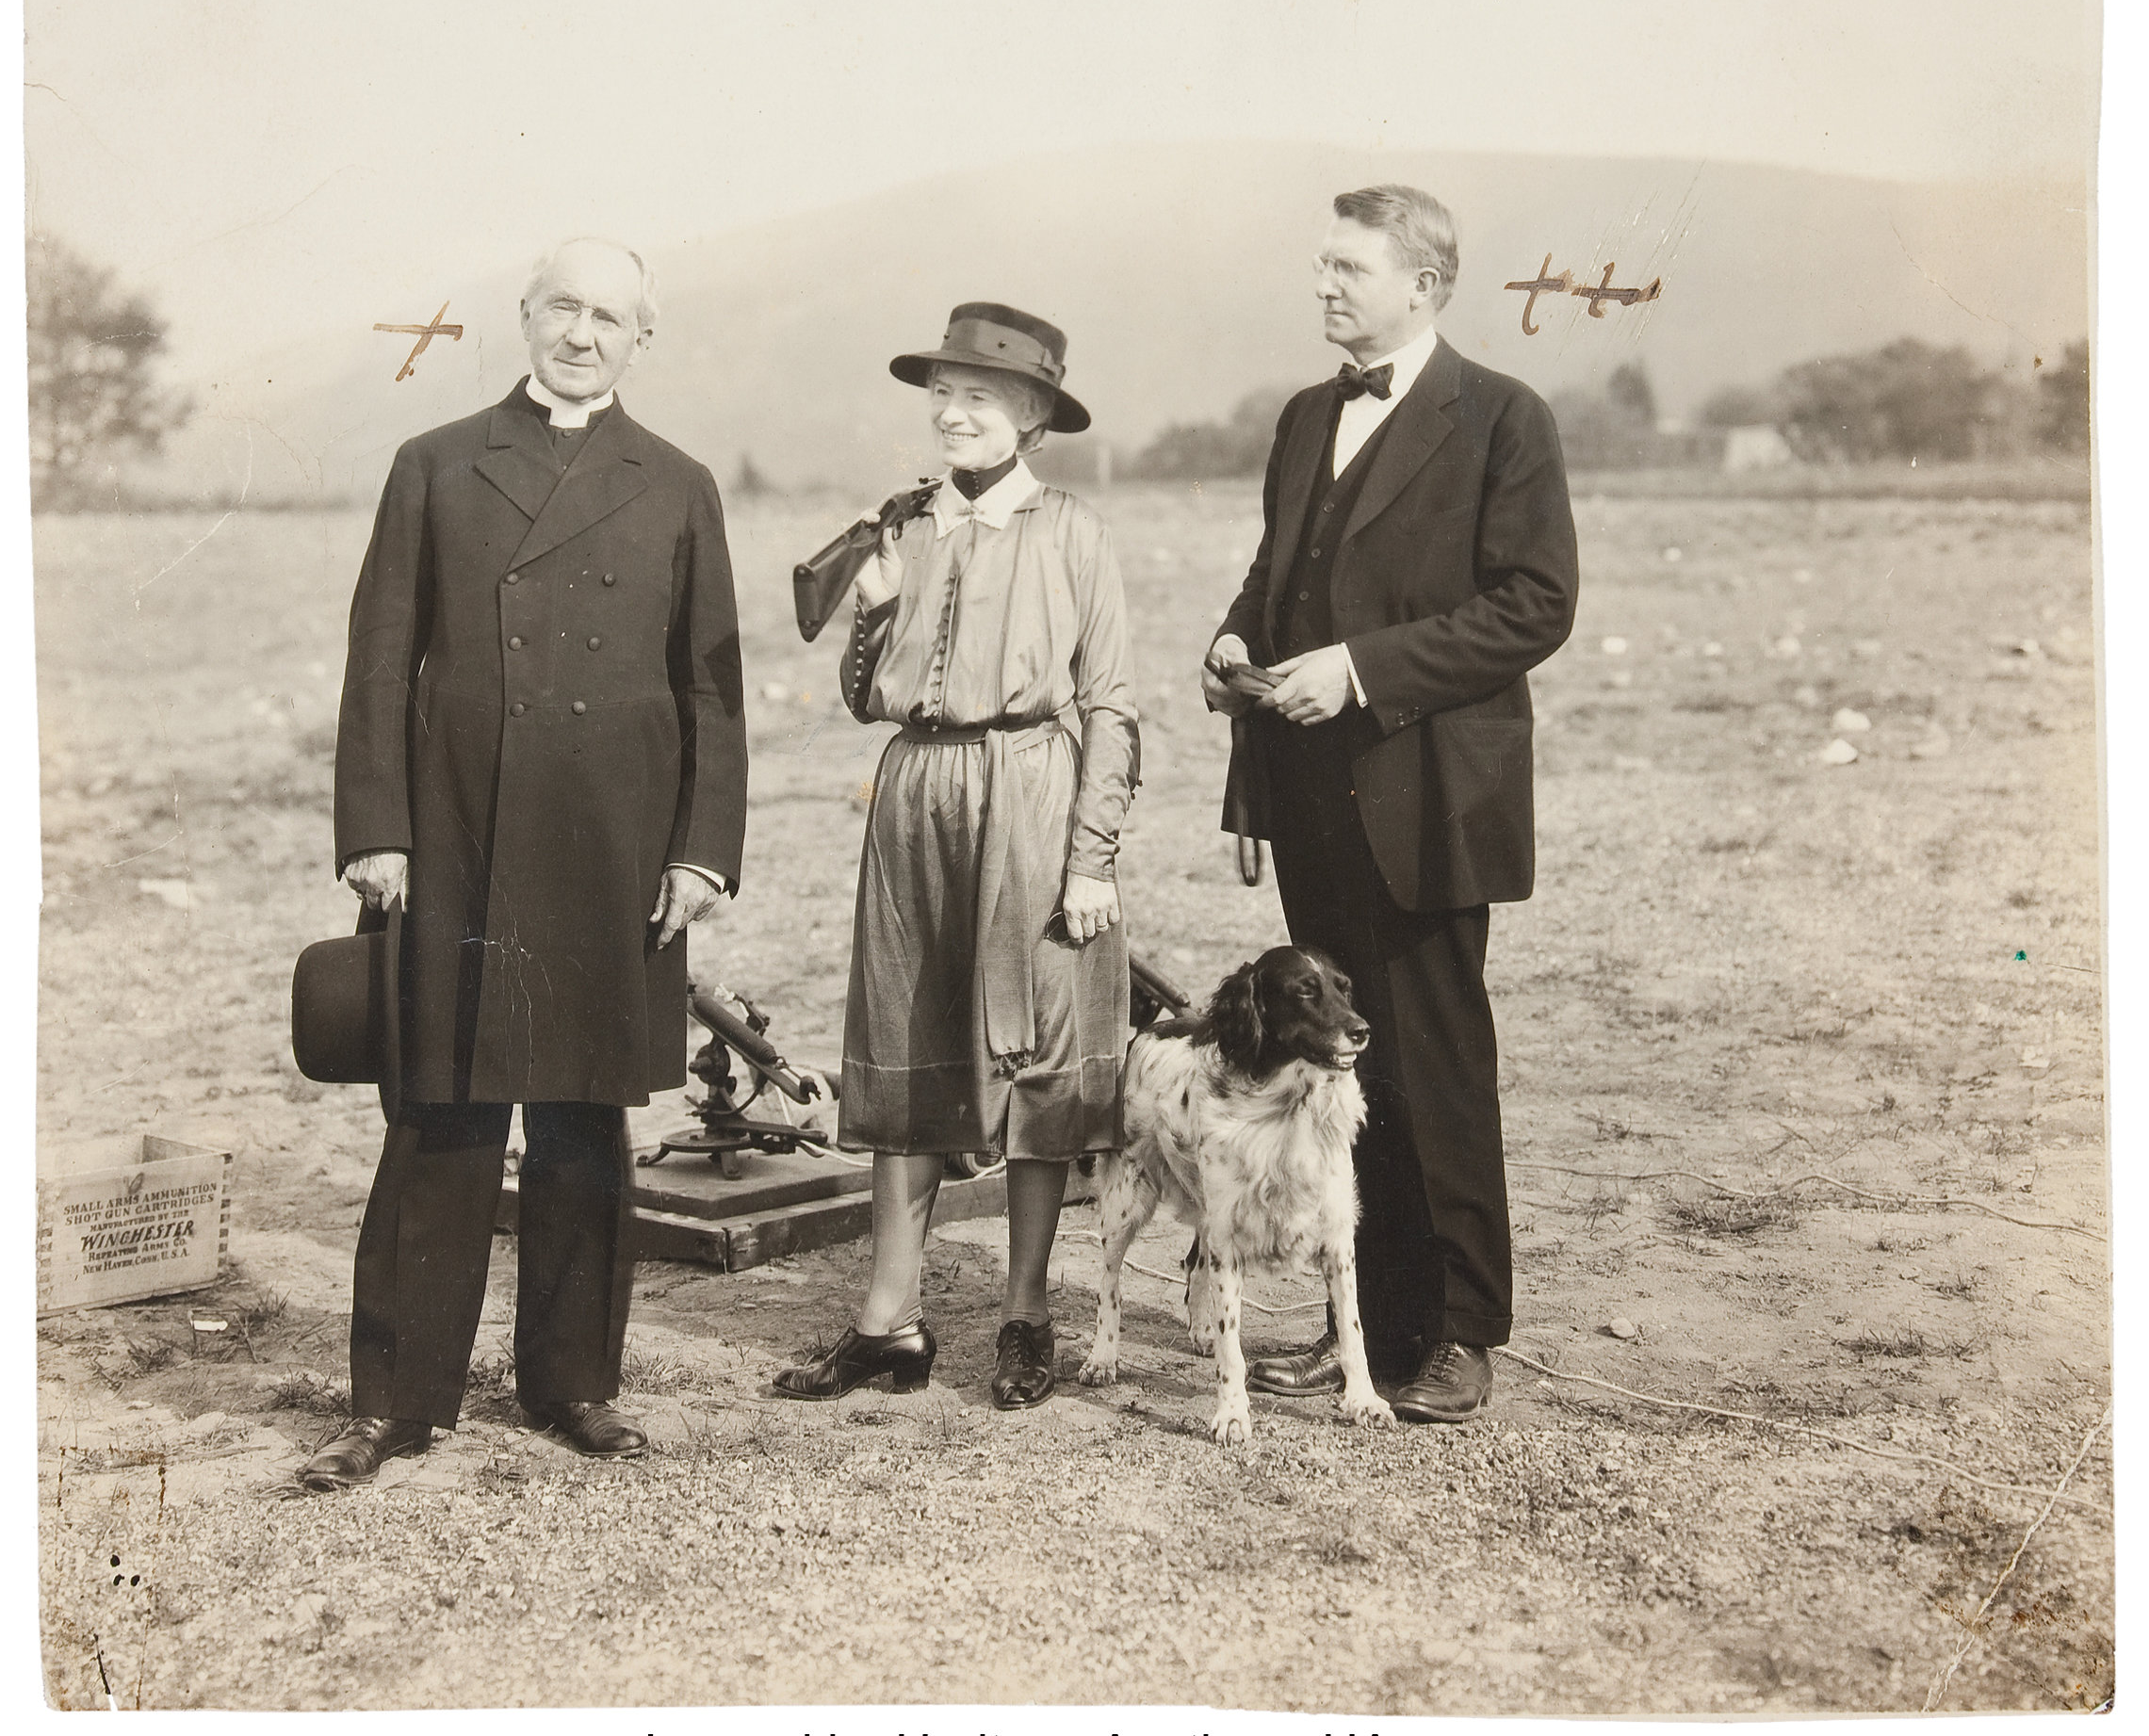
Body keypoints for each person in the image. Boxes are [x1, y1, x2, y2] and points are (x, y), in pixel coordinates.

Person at [301, 236, 747, 1490]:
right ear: (525, 316)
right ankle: (398, 1400)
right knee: (440, 1115)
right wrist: (376, 829)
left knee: (582, 1125)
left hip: (614, 843)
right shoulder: (435, 465)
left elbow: (710, 688)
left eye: (611, 316)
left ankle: (572, 1385)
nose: (583, 332)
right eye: (565, 307)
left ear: (639, 338)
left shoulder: (677, 484)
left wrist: (703, 851)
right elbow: (380, 661)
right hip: (457, 831)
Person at [1203, 185, 1577, 1423]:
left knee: (1435, 1068)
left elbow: (1534, 604)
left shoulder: (1503, 418)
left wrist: (1362, 671)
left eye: (1347, 269)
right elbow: (1280, 570)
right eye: (1320, 265)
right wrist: (1236, 638)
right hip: (1312, 798)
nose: (1322, 286)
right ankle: (1367, 1325)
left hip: (1425, 802)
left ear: (1421, 285)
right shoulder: (1307, 414)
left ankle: (1462, 1329)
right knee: (1334, 1076)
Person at [774, 302, 1138, 1410]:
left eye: (981, 395)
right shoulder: (903, 529)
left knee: (1032, 1050)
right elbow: (858, 701)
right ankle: (889, 1320)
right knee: (906, 1039)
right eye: (942, 392)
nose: (954, 412)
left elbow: (1111, 708)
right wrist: (871, 616)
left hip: (1032, 790)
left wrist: (1091, 858)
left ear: (1032, 416)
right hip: (913, 796)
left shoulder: (1072, 531)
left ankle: (1025, 1311)